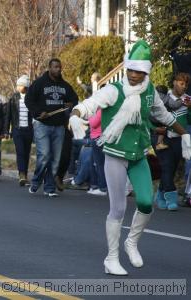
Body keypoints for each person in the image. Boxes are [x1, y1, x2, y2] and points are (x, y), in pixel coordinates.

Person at [69, 40, 191, 275]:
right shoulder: (114, 90)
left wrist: (185, 134)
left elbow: (163, 115)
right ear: (126, 68)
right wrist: (75, 115)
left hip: (139, 155)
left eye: (140, 71)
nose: (134, 75)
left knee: (146, 202)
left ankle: (131, 242)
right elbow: (89, 104)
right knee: (118, 209)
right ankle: (111, 258)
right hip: (115, 154)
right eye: (131, 70)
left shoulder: (149, 91)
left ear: (146, 71)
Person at [25, 58, 78, 196]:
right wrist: (38, 112)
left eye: (59, 67)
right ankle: (36, 181)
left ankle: (49, 188)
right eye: (55, 67)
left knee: (55, 158)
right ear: (49, 68)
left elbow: (74, 99)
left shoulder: (65, 86)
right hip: (42, 124)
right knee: (44, 155)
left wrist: (70, 104)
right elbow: (28, 100)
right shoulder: (39, 83)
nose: (58, 69)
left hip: (59, 125)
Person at [154, 72, 191, 210]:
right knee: (167, 166)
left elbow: (189, 121)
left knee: (171, 169)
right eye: (181, 83)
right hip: (164, 137)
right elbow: (152, 115)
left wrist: (190, 108)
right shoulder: (164, 97)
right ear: (174, 82)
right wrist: (155, 129)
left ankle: (160, 195)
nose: (184, 86)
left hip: (179, 139)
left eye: (186, 84)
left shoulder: (188, 99)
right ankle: (171, 198)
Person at [5, 75, 33, 186]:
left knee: (26, 153)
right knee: (20, 151)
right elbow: (8, 115)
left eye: (20, 85)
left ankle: (25, 175)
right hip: (17, 129)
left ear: (25, 86)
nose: (18, 87)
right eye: (17, 85)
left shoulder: (31, 98)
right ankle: (21, 174)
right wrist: (6, 130)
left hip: (29, 130)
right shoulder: (13, 98)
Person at [88, 109, 107, 195]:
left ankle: (102, 188)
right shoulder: (102, 110)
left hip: (98, 137)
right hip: (99, 137)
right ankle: (95, 185)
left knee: (99, 164)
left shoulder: (100, 110)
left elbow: (93, 124)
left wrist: (90, 116)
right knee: (94, 163)